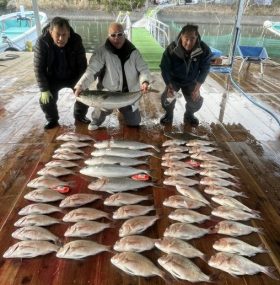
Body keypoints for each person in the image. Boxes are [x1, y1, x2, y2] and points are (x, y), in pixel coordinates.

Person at [74, 22, 151, 131]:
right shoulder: (101, 52)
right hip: (107, 93)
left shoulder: (134, 52)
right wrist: (80, 85)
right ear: (108, 36)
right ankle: (96, 118)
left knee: (134, 124)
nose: (117, 38)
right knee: (96, 119)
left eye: (120, 34)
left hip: (128, 94)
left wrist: (145, 82)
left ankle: (123, 108)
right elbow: (92, 70)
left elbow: (143, 69)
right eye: (113, 35)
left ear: (124, 35)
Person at [34, 17, 90, 130]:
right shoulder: (42, 42)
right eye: (57, 34)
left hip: (73, 76)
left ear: (69, 32)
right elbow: (38, 68)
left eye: (64, 34)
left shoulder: (76, 39)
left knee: (85, 94)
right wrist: (44, 89)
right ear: (50, 32)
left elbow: (82, 65)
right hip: (52, 77)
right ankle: (52, 119)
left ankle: (80, 115)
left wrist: (82, 84)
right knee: (45, 99)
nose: (61, 38)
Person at [159, 24, 212, 126]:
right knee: (167, 98)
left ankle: (189, 115)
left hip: (191, 80)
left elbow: (205, 68)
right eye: (186, 39)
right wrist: (169, 86)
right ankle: (169, 114)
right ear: (181, 36)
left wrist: (197, 88)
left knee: (196, 100)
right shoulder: (171, 49)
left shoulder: (204, 49)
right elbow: (164, 67)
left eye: (192, 39)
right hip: (174, 80)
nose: (188, 42)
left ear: (197, 38)